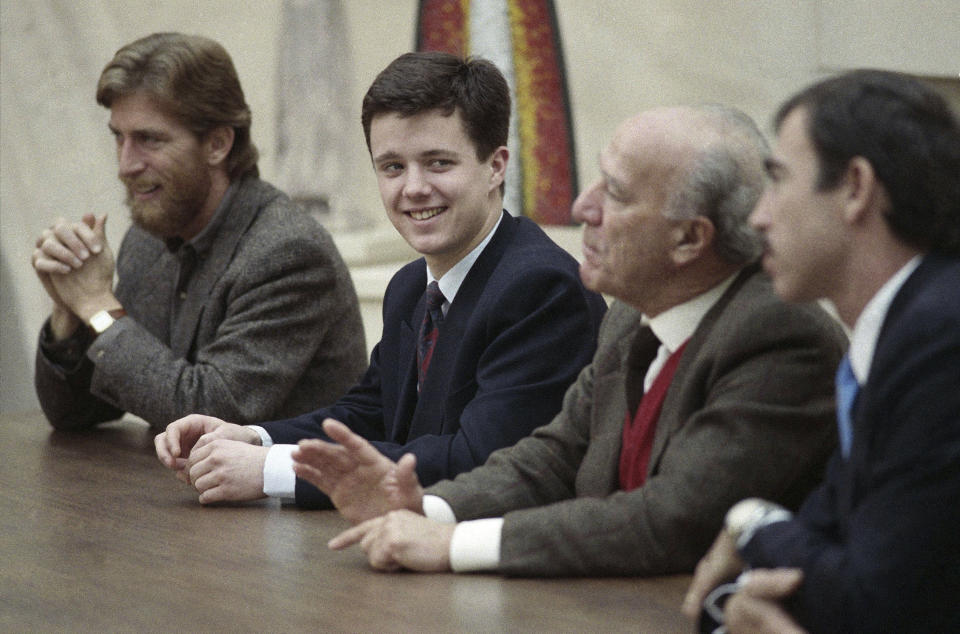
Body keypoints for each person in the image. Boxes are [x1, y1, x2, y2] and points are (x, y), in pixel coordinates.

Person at [294, 104, 849, 576]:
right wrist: (427, 509)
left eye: (617, 194)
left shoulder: (779, 335)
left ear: (689, 239)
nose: (583, 208)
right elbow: (553, 457)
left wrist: (455, 545)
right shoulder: (630, 315)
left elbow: (672, 518)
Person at [154, 51, 607, 507]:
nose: (412, 188)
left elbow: (481, 462)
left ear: (496, 166)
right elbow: (370, 414)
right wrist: (254, 438)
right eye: (392, 166)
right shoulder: (411, 285)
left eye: (438, 163)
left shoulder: (542, 288)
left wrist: (274, 471)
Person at [683, 70, 960, 633]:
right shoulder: (901, 331)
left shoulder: (940, 339)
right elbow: (827, 543)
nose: (759, 216)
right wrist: (736, 600)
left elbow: (872, 604)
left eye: (779, 180)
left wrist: (753, 527)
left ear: (856, 187)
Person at [31, 32, 367, 431]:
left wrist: (96, 306)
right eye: (118, 137)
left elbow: (209, 412)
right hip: (183, 487)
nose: (125, 165)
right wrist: (68, 310)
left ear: (218, 144)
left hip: (289, 491)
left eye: (149, 139)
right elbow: (76, 412)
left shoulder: (288, 252)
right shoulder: (147, 240)